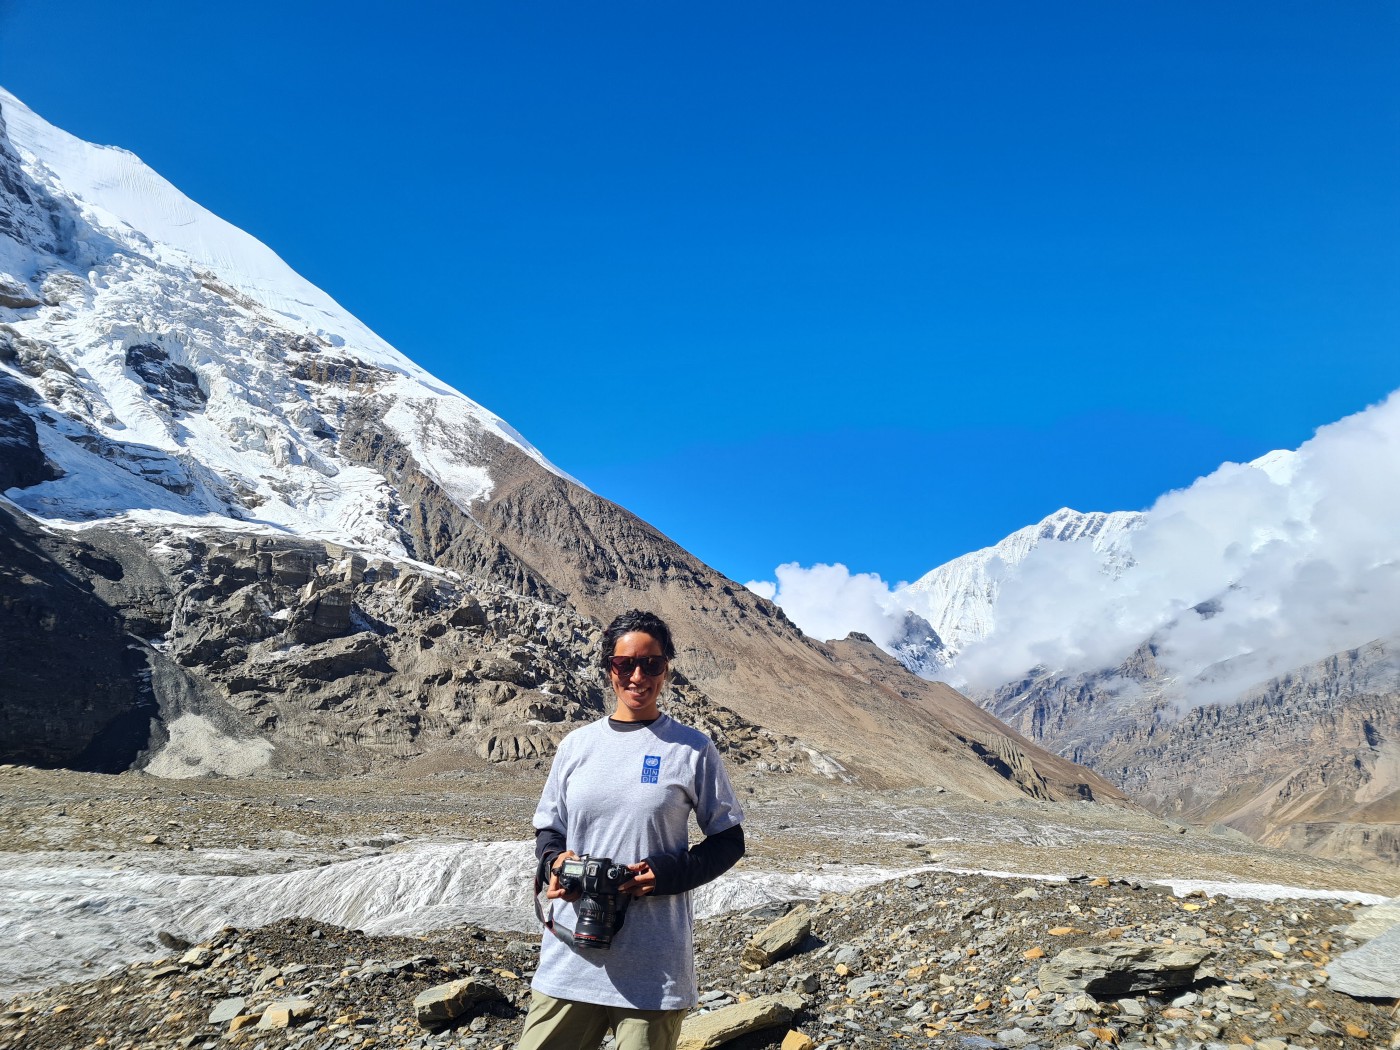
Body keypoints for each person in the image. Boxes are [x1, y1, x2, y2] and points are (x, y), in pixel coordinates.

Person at [517, 609, 746, 1050]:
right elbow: (549, 829)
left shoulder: (692, 749)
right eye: (625, 664)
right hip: (570, 957)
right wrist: (556, 862)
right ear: (609, 669)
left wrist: (668, 874)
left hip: (653, 967)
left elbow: (728, 840)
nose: (637, 676)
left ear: (667, 669)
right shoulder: (576, 746)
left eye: (651, 664)